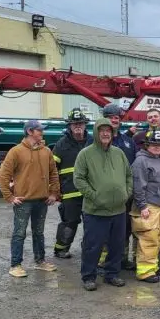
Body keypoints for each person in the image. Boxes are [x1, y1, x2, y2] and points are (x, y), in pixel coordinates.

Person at [73, 118, 134, 290]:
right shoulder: (85, 154)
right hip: (95, 210)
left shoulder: (118, 153)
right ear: (96, 133)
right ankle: (88, 277)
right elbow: (78, 179)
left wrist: (126, 194)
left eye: (109, 131)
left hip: (119, 210)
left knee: (117, 245)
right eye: (102, 130)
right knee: (93, 246)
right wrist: (95, 197)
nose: (106, 133)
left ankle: (112, 274)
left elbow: (129, 175)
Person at [0, 119, 60, 278]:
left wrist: (54, 193)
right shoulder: (16, 151)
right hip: (23, 201)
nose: (42, 132)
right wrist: (10, 197)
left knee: (39, 232)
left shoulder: (46, 151)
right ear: (30, 132)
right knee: (19, 233)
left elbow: (53, 174)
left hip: (42, 201)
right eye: (39, 130)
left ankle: (40, 261)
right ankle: (15, 265)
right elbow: (3, 175)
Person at [130, 129, 160, 283]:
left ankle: (152, 266)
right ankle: (145, 271)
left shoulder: (158, 160)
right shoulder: (141, 161)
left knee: (159, 238)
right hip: (148, 206)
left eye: (159, 144)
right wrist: (142, 206)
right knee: (148, 238)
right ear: (146, 145)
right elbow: (138, 186)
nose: (157, 147)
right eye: (153, 144)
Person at [101, 103, 137, 271]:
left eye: (117, 117)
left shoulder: (128, 141)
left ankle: (121, 258)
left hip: (126, 195)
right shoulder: (96, 141)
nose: (114, 120)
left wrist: (131, 191)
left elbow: (133, 168)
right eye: (111, 117)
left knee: (125, 229)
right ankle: (103, 261)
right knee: (105, 230)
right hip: (105, 196)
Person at [52, 108, 92, 259]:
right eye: (74, 123)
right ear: (69, 125)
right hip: (70, 193)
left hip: (90, 192)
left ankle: (88, 250)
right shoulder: (61, 144)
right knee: (70, 223)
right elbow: (52, 169)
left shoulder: (92, 141)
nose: (77, 126)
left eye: (80, 123)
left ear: (85, 124)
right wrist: (55, 190)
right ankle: (61, 249)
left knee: (91, 225)